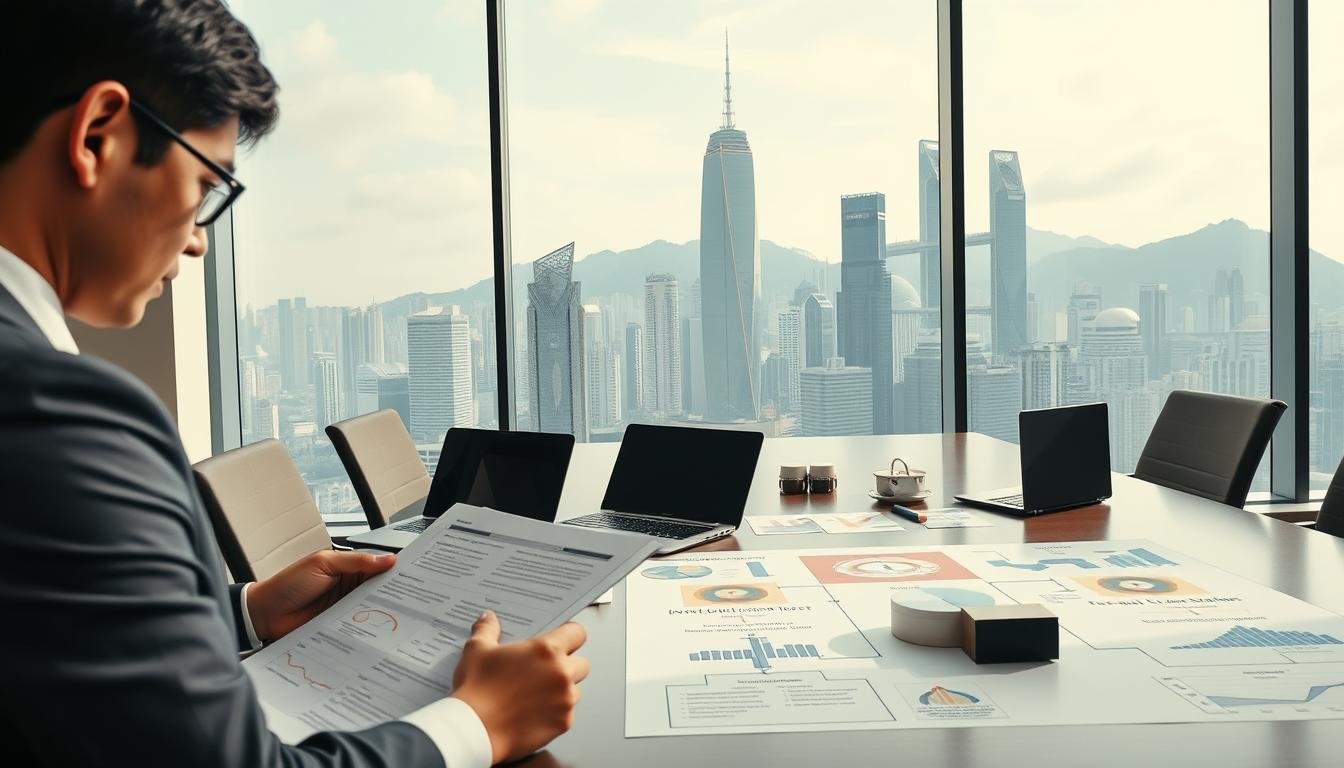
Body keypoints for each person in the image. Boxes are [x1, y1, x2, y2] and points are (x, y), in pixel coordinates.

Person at [0, 2, 588, 766]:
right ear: (98, 135)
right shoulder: (56, 414)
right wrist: (479, 722)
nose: (199, 241)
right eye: (208, 186)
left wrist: (240, 615)